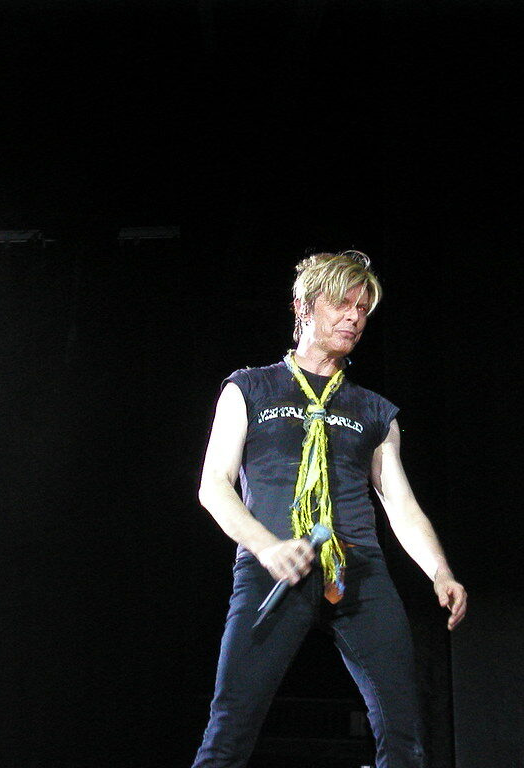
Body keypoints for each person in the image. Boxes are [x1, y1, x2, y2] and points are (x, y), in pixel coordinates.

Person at [193, 250, 467, 768]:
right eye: (342, 304)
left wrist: (440, 571)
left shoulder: (374, 410)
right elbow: (214, 487)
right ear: (304, 306)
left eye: (363, 308)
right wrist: (267, 548)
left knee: (404, 735)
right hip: (274, 570)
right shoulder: (249, 388)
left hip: (356, 570)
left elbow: (401, 504)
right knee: (229, 729)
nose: (354, 317)